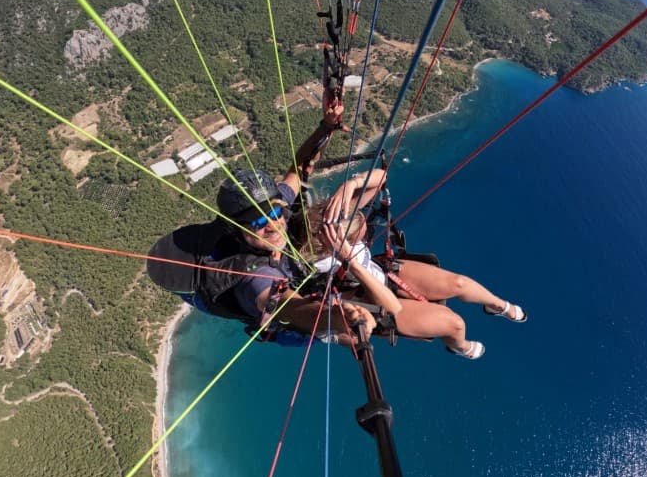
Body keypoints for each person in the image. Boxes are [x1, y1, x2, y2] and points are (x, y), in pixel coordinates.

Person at [294, 168, 526, 359]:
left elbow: (381, 177)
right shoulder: (316, 264)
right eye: (360, 228)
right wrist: (351, 263)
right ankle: (460, 346)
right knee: (455, 323)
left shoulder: (336, 220)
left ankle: (496, 304)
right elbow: (393, 307)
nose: (365, 220)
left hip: (383, 273)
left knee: (459, 283)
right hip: (374, 303)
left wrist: (350, 186)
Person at [208, 97, 377, 344]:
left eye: (275, 215)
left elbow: (299, 169)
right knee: (351, 340)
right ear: (238, 231)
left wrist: (325, 127)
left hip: (305, 279)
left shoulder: (279, 204)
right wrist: (337, 319)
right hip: (293, 325)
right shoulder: (255, 273)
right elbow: (289, 308)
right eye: (258, 224)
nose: (272, 225)